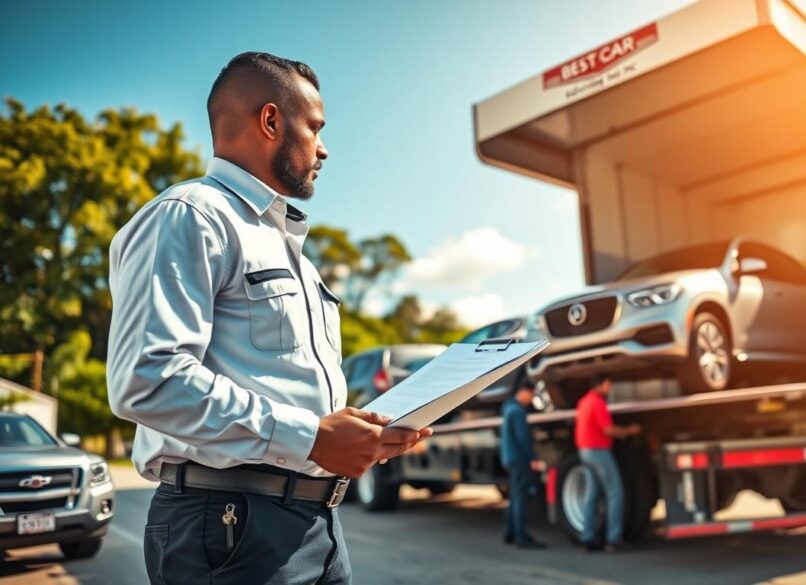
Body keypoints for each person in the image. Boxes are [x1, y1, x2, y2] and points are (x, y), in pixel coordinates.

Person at [106, 52, 430, 585]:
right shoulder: (189, 216)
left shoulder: (288, 248)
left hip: (316, 522)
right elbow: (147, 379)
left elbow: (287, 392)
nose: (324, 149)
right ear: (272, 121)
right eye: (316, 128)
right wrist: (310, 436)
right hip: (230, 528)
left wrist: (358, 436)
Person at [574, 373, 641, 553]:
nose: (609, 389)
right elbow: (608, 429)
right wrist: (629, 431)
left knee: (592, 494)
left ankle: (587, 537)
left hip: (585, 451)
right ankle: (613, 539)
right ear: (601, 385)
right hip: (598, 451)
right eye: (608, 385)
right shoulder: (598, 403)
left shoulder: (584, 401)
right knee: (615, 493)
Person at [500, 381, 546, 550]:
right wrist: (532, 458)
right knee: (521, 498)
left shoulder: (507, 407)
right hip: (519, 459)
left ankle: (510, 532)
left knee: (514, 496)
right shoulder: (518, 411)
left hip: (509, 458)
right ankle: (521, 536)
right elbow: (523, 438)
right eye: (532, 395)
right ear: (524, 391)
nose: (531, 399)